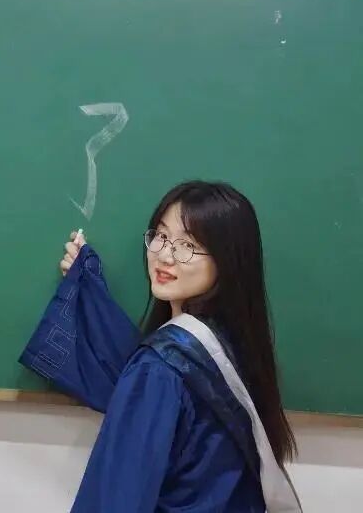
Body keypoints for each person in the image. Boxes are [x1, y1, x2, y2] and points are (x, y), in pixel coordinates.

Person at [20, 180, 301, 512]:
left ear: (226, 261)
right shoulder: (236, 348)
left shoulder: (160, 370)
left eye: (188, 245)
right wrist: (88, 290)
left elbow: (116, 498)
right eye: (162, 236)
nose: (165, 255)